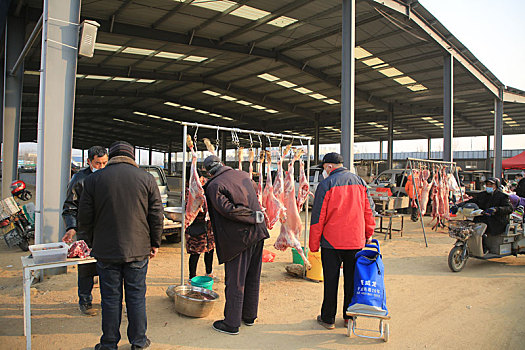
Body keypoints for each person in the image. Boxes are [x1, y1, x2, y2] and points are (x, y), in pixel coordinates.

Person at [78, 141, 163, 350]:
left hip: (106, 251)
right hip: (138, 250)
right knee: (136, 297)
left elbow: (84, 217)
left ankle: (108, 343)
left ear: (112, 156)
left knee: (110, 298)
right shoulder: (146, 178)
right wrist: (155, 242)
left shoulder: (94, 179)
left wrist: (91, 242)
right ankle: (139, 342)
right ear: (132, 157)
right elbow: (156, 214)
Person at [202, 155, 269, 335]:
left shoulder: (215, 185)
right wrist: (257, 217)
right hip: (258, 233)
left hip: (239, 238)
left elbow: (227, 210)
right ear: (222, 165)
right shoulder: (242, 175)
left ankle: (231, 323)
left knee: (236, 280)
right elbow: (252, 191)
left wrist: (253, 216)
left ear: (208, 171)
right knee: (252, 276)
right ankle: (249, 316)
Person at [309, 152, 375, 330]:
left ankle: (328, 319)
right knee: (352, 281)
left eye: (324, 168)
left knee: (330, 281)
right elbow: (368, 211)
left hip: (331, 243)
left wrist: (313, 245)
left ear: (329, 167)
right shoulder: (360, 182)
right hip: (356, 242)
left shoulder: (326, 184)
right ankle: (349, 317)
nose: (324, 171)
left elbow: (318, 217)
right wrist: (369, 233)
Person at [62, 145, 108, 316]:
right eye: (98, 163)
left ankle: (108, 301)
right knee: (86, 267)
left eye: (104, 163)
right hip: (86, 231)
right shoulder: (79, 179)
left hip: (106, 231)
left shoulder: (109, 177)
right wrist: (71, 227)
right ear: (89, 162)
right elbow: (70, 206)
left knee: (107, 267)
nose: (101, 167)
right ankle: (85, 300)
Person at [461, 178, 512, 252]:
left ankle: (484, 248)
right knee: (469, 226)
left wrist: (496, 209)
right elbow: (472, 201)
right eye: (487, 184)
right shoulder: (482, 195)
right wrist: (459, 205)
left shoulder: (502, 196)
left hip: (497, 221)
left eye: (491, 184)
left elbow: (509, 208)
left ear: (496, 185)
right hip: (483, 218)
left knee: (483, 230)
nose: (488, 186)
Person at [185, 169, 215, 281]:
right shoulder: (189, 191)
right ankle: (192, 277)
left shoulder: (202, 189)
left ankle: (209, 273)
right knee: (195, 252)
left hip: (208, 227)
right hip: (196, 226)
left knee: (210, 250)